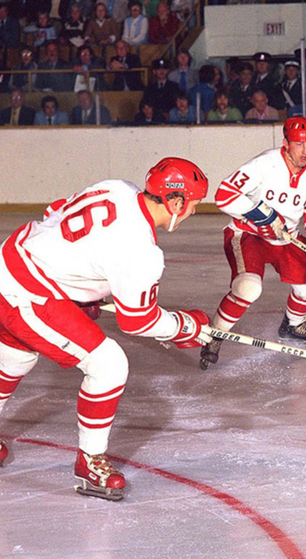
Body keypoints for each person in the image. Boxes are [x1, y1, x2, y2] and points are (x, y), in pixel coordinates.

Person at [0, 157, 211, 500]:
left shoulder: (117, 187)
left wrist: (76, 293)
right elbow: (137, 320)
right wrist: (183, 326)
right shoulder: (143, 251)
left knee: (14, 359)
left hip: (12, 257)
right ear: (175, 201)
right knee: (109, 365)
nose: (193, 212)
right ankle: (90, 463)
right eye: (194, 204)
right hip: (27, 293)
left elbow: (56, 213)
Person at [200, 117, 306, 370]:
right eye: (299, 144)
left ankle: (293, 324)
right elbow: (224, 195)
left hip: (285, 238)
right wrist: (261, 212)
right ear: (286, 143)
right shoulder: (265, 163)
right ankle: (214, 335)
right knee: (248, 288)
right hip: (249, 235)